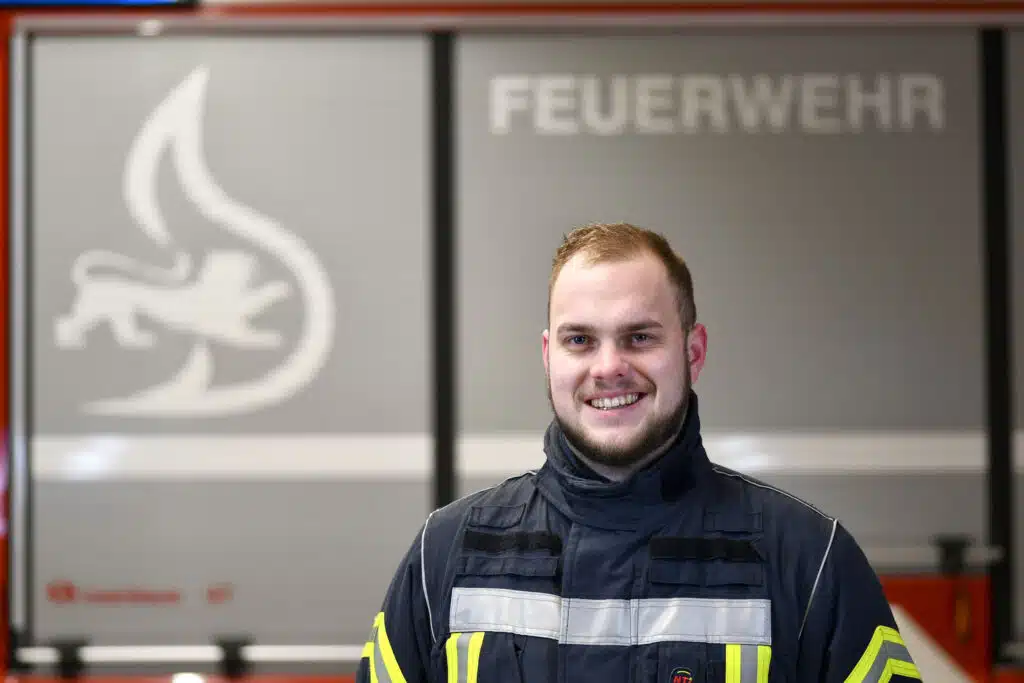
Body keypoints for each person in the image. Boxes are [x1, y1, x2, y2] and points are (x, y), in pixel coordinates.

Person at [356, 222, 923, 683]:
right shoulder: (445, 554)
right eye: (581, 340)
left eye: (640, 337)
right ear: (550, 356)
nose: (608, 368)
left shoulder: (809, 560)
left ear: (693, 352)